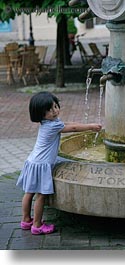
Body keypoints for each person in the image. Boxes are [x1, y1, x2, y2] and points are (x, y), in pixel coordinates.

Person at [16, 91, 102, 235]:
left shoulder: (47, 122)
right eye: (49, 110)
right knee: (41, 196)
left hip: (32, 162)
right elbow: (72, 128)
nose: (54, 111)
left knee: (28, 193)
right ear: (40, 113)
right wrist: (90, 127)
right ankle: (37, 225)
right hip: (42, 165)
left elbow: (67, 124)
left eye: (55, 106)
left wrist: (84, 124)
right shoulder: (52, 126)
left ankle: (25, 220)